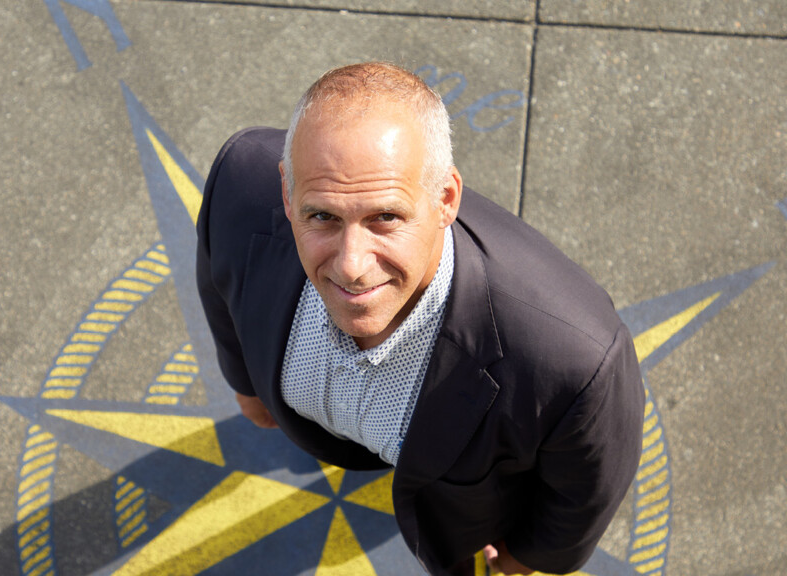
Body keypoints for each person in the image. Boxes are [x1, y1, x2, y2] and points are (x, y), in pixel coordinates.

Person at [196, 62, 644, 576]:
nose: (351, 266)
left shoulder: (575, 361)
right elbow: (217, 280)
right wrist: (246, 384)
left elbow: (586, 485)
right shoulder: (239, 183)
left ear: (446, 199)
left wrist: (536, 556)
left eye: (385, 218)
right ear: (285, 193)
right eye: (322, 216)